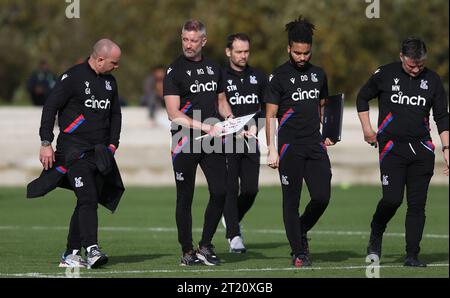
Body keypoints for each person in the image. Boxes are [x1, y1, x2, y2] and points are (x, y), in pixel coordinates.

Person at [27, 39, 125, 269]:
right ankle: (92, 249)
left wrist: (112, 145)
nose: (117, 67)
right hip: (74, 152)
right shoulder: (72, 77)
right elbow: (50, 107)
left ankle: (71, 253)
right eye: (114, 63)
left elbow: (116, 116)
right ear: (100, 59)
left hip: (100, 153)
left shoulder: (111, 82)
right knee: (88, 198)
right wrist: (45, 141)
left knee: (87, 201)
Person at [357, 37, 449, 267]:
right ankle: (377, 231)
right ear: (401, 57)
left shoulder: (433, 80)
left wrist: (447, 148)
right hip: (391, 149)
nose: (417, 69)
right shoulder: (385, 74)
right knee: (392, 199)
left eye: (421, 65)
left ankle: (412, 255)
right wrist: (368, 129)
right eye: (411, 65)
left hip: (422, 150)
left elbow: (441, 117)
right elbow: (362, 97)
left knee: (417, 205)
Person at [264, 16, 335, 267]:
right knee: (291, 200)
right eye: (297, 53)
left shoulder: (319, 74)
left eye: (306, 53)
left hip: (315, 145)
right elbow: (270, 115)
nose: (302, 57)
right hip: (288, 148)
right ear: (288, 49)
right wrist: (271, 148)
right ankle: (298, 251)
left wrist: (329, 131)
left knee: (322, 196)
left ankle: (300, 228)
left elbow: (323, 107)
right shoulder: (278, 77)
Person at [163, 20, 234, 266]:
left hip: (211, 139)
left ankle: (205, 245)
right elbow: (173, 113)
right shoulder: (174, 70)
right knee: (185, 198)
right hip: (184, 140)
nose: (188, 45)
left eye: (193, 40)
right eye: (185, 39)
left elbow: (221, 101)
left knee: (221, 191)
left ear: (203, 41)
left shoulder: (214, 67)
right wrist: (205, 126)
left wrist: (232, 120)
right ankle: (186, 251)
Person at [221, 33, 267, 253]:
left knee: (250, 190)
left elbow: (266, 108)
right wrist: (231, 127)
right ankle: (234, 236)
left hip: (250, 141)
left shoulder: (258, 76)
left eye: (246, 51)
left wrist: (256, 125)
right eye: (238, 51)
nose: (243, 55)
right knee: (230, 188)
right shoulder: (220, 76)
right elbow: (215, 106)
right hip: (226, 141)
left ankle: (231, 218)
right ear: (228, 52)